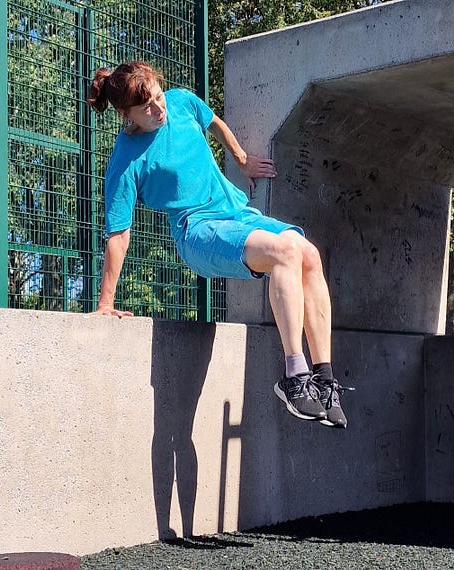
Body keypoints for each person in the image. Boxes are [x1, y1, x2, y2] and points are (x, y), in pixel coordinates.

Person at [87, 61, 351, 428]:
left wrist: (242, 161)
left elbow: (213, 123)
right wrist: (106, 303)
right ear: (124, 114)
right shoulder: (126, 159)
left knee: (307, 252)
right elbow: (118, 233)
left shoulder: (180, 102)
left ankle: (323, 380)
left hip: (235, 213)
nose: (158, 109)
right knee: (284, 252)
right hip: (197, 231)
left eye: (158, 98)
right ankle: (294, 377)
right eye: (146, 107)